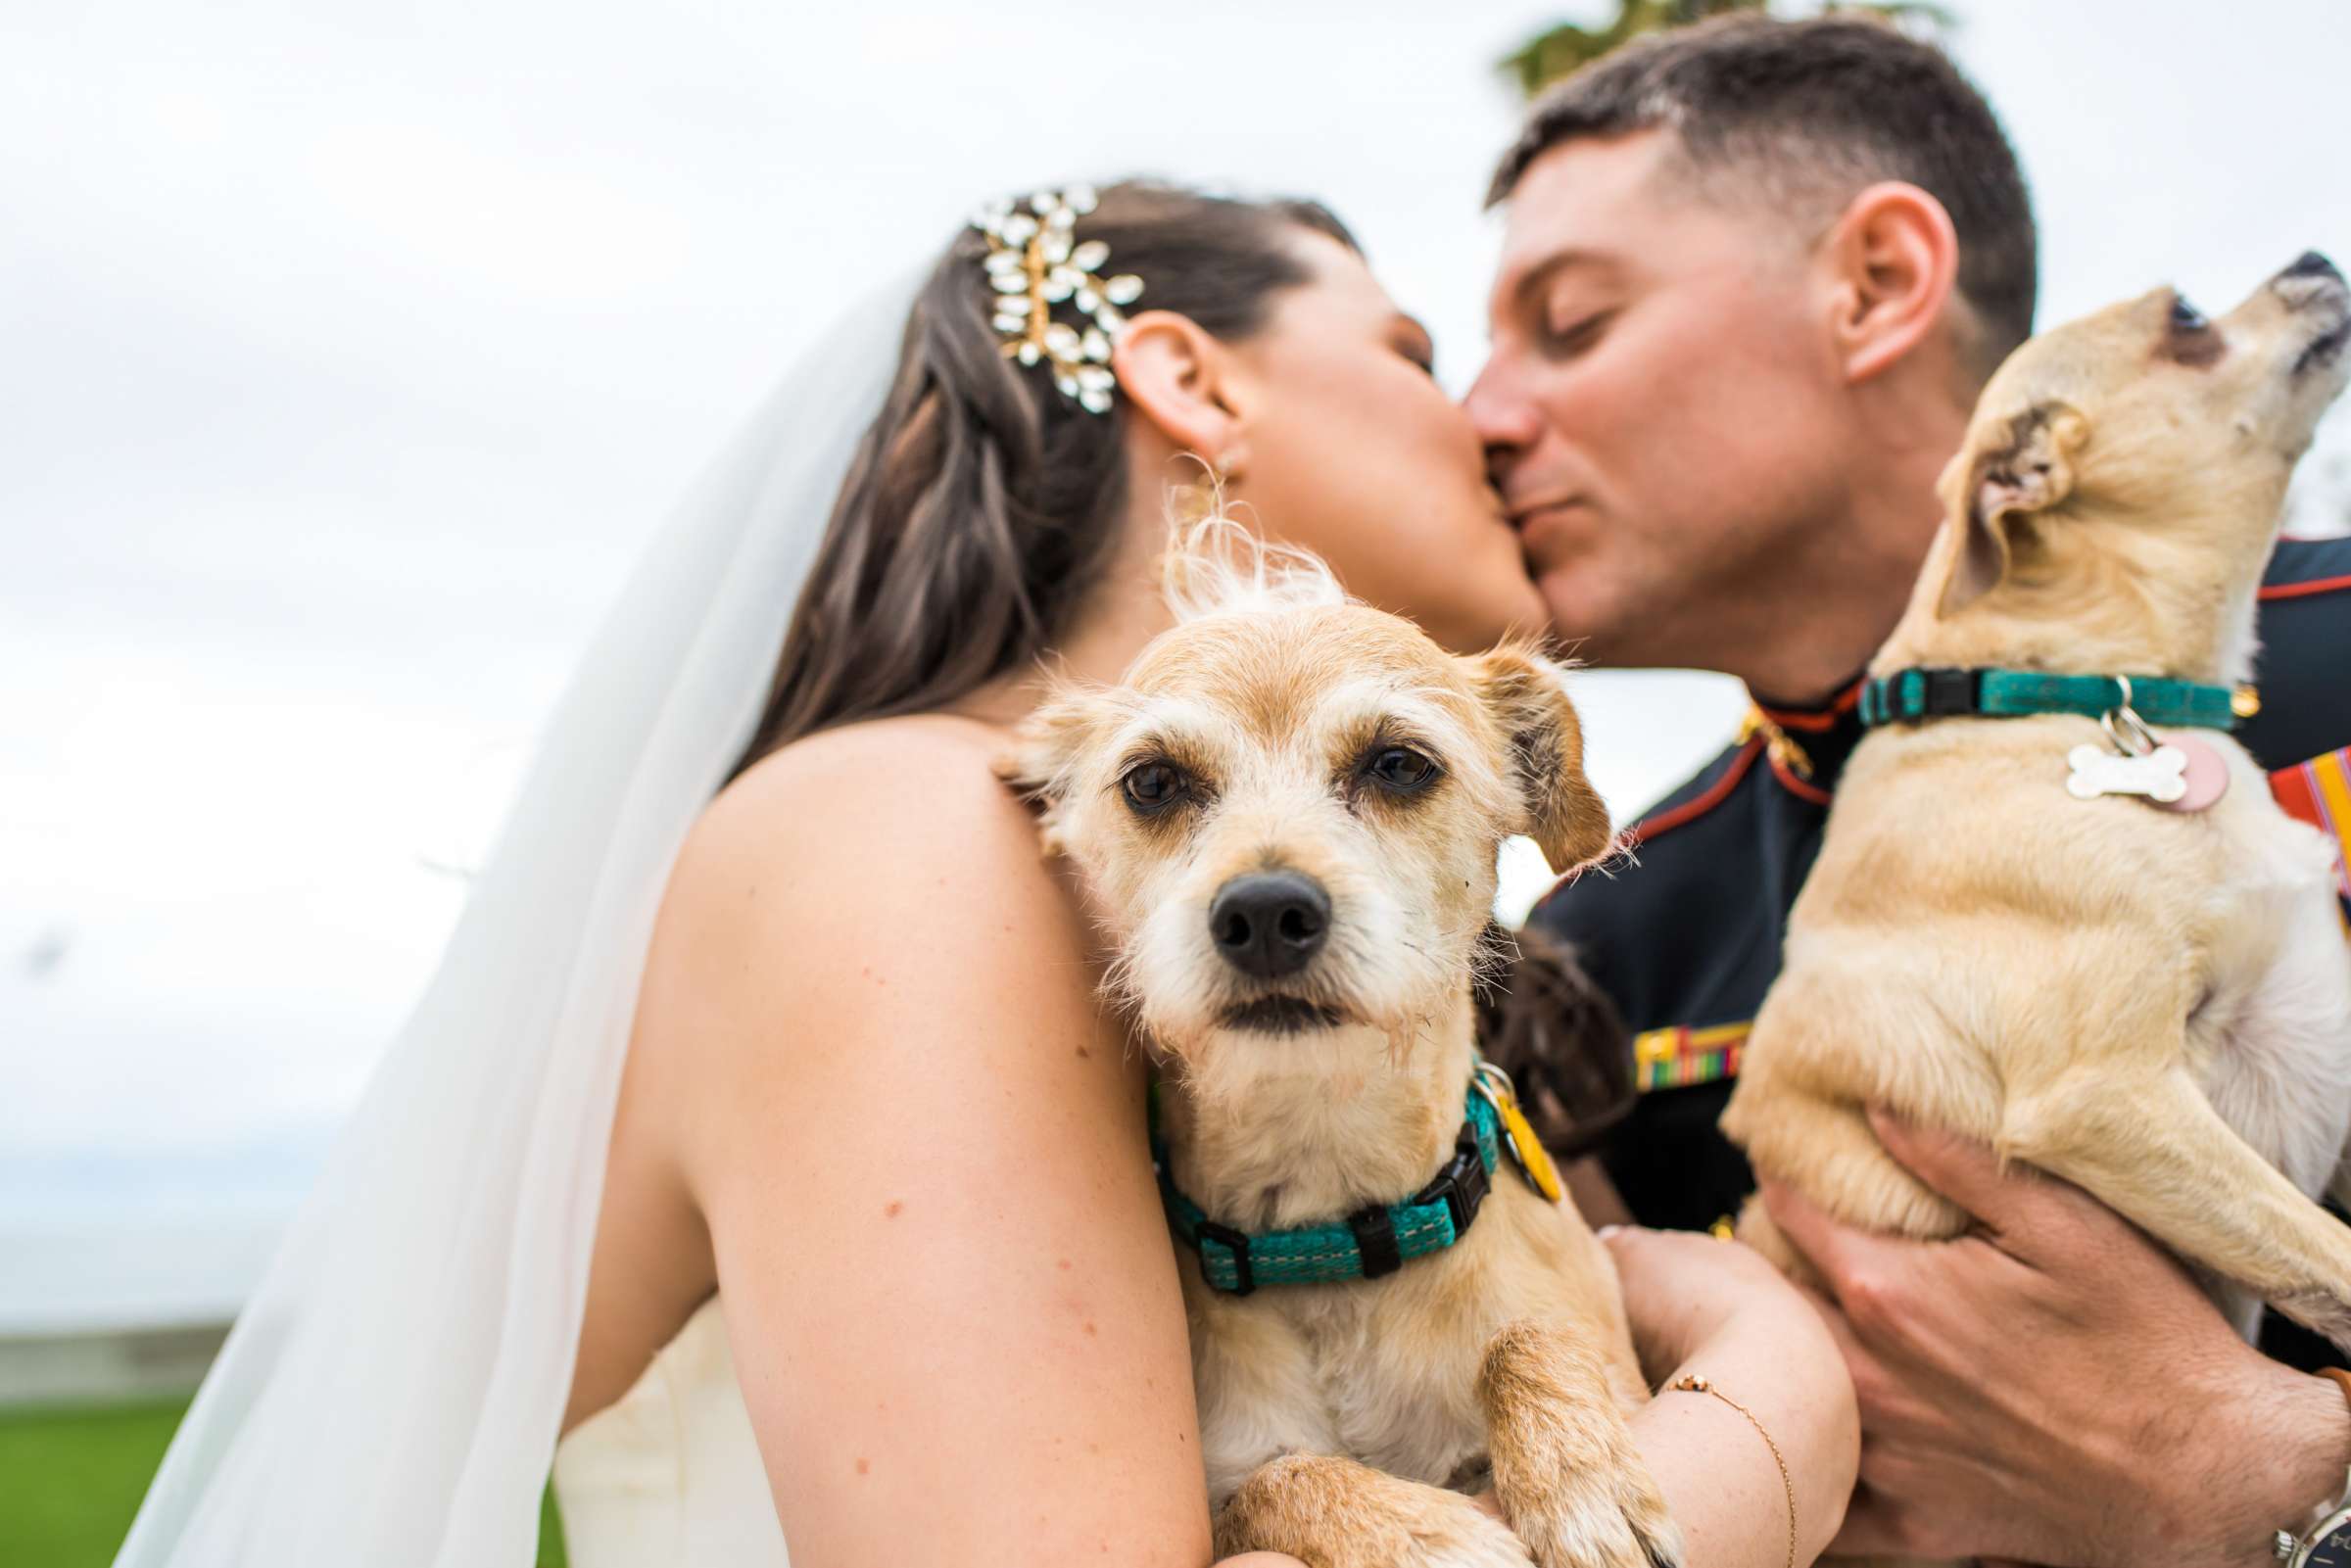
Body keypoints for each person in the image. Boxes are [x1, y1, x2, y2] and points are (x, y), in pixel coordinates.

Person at [119, 179, 1857, 1568]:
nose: (1488, 418)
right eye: (1415, 348)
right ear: (1190, 379)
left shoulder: (953, 827)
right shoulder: (917, 840)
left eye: (1390, 765)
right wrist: (1786, 1404)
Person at [1469, 16, 2351, 1565]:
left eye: (1574, 321)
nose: (1484, 415)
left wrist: (2244, 1463)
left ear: (1875, 283)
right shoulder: (1617, 941)